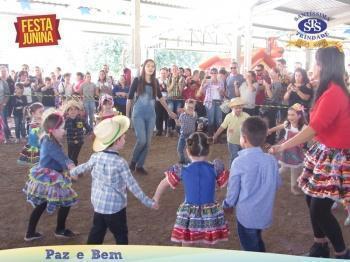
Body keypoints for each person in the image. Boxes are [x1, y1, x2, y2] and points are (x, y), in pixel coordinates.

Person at [270, 47, 350, 259]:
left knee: (320, 208)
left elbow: (313, 129)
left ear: (324, 66)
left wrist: (282, 146)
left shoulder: (334, 93)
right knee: (311, 198)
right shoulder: (329, 89)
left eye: (315, 63)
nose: (312, 67)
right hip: (325, 151)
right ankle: (320, 244)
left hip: (335, 156)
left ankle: (342, 252)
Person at [70, 115, 158, 244]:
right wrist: (149, 202)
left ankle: (89, 254)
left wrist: (72, 171)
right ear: (117, 141)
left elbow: (84, 167)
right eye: (123, 137)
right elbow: (132, 185)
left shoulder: (96, 157)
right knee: (121, 234)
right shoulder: (120, 163)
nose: (125, 139)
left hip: (98, 204)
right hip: (115, 207)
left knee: (97, 232)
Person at [153, 132, 229, 246]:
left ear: (187, 151)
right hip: (210, 213)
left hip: (189, 213)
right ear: (208, 150)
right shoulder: (215, 168)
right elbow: (230, 182)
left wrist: (155, 198)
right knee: (207, 241)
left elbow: (163, 183)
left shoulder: (181, 170)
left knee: (187, 242)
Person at [223, 116, 281, 252]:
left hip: (246, 216)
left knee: (250, 247)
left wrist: (227, 205)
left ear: (244, 138)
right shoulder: (271, 160)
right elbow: (277, 183)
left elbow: (233, 191)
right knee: (256, 238)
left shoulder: (238, 162)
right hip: (264, 213)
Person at [23, 110, 77, 241]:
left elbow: (61, 159)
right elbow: (63, 158)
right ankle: (60, 230)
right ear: (53, 130)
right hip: (50, 177)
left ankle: (31, 233)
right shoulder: (50, 143)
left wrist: (68, 168)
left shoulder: (48, 138)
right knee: (66, 201)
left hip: (48, 176)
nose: (64, 131)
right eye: (62, 128)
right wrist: (72, 169)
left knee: (42, 204)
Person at [126, 59, 176, 175]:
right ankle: (133, 162)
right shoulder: (137, 80)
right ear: (144, 67)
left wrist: (169, 111)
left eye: (152, 66)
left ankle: (140, 165)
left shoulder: (155, 82)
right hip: (138, 114)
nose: (150, 68)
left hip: (151, 115)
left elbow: (160, 97)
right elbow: (129, 99)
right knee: (142, 140)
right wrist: (127, 116)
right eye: (148, 66)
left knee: (147, 143)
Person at [268, 103, 306, 195]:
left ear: (300, 115)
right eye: (289, 114)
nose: (290, 117)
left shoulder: (304, 127)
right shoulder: (287, 124)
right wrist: (269, 130)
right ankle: (270, 179)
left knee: (295, 169)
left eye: (293, 115)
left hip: (296, 150)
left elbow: (311, 135)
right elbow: (278, 127)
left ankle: (293, 187)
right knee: (284, 168)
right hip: (286, 149)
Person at [213, 97, 249, 166]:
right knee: (234, 157)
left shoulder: (246, 116)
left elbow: (251, 126)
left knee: (243, 157)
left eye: (240, 108)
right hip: (232, 141)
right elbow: (222, 127)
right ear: (232, 108)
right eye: (236, 108)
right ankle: (231, 171)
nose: (238, 110)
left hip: (244, 141)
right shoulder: (228, 116)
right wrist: (216, 135)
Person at [64, 100, 92, 166]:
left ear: (78, 111)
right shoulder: (66, 121)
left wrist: (90, 133)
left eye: (75, 109)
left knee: (74, 157)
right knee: (70, 156)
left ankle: (74, 170)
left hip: (79, 142)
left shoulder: (81, 119)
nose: (73, 111)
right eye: (70, 109)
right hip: (70, 141)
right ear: (67, 111)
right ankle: (73, 168)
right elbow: (62, 130)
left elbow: (89, 128)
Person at [198, 67, 225, 136]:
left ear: (217, 73)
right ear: (210, 74)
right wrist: (202, 83)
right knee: (211, 120)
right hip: (209, 102)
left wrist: (220, 91)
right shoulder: (207, 81)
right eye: (212, 73)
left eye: (215, 73)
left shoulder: (221, 81)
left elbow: (223, 93)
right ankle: (210, 136)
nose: (213, 74)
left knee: (219, 120)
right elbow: (201, 91)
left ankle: (217, 136)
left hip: (219, 102)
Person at [175, 99, 197, 164]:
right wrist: (175, 118)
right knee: (179, 149)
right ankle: (182, 160)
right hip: (183, 135)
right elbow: (178, 124)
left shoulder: (194, 114)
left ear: (194, 108)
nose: (190, 109)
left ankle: (191, 162)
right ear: (185, 107)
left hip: (191, 136)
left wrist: (184, 109)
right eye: (188, 107)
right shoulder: (182, 115)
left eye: (192, 107)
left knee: (190, 150)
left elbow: (190, 112)